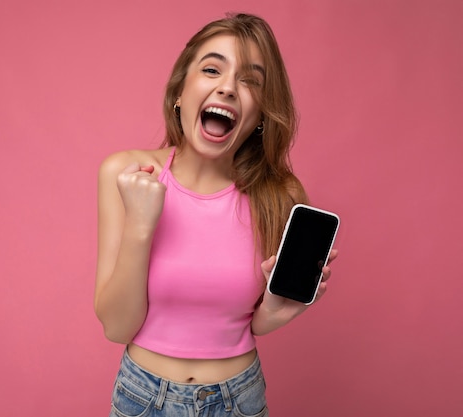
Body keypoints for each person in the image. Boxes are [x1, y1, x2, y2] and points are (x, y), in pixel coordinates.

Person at [94, 13, 338, 417]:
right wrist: (141, 226)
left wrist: (276, 311)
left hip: (238, 398)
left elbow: (255, 324)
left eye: (250, 81)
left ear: (260, 114)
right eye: (212, 70)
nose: (227, 88)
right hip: (143, 397)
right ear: (180, 91)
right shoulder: (127, 174)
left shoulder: (280, 194)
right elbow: (116, 328)